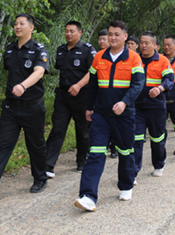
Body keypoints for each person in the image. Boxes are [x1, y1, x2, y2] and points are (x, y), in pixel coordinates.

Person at [0, 13, 50, 202]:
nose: (17, 27)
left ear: (31, 27)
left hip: (32, 107)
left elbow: (39, 72)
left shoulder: (38, 49)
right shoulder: (9, 49)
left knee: (36, 145)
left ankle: (40, 178)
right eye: (16, 24)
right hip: (11, 108)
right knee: (3, 145)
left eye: (21, 24)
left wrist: (23, 86)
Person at [75, 20, 144, 211]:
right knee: (95, 153)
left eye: (116, 34)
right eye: (110, 34)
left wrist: (124, 102)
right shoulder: (98, 57)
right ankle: (88, 196)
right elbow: (93, 85)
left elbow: (138, 84)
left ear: (125, 37)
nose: (112, 38)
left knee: (125, 151)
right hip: (101, 115)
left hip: (124, 115)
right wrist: (89, 108)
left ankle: (126, 185)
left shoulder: (134, 58)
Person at [45, 21, 97, 179]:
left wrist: (79, 85)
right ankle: (47, 165)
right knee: (57, 129)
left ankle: (82, 161)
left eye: (72, 31)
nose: (68, 34)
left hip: (82, 95)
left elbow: (93, 71)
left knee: (83, 131)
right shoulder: (61, 50)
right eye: (66, 31)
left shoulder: (88, 49)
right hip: (63, 96)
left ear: (80, 33)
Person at [134, 31, 174, 178]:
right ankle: (133, 171)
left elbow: (170, 79)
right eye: (142, 43)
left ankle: (158, 164)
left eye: (147, 43)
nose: (143, 46)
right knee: (136, 139)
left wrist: (160, 88)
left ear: (155, 45)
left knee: (157, 138)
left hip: (156, 106)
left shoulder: (163, 61)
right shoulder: (134, 59)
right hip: (137, 106)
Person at [98, 29, 118, 158]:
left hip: (116, 96)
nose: (101, 42)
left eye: (104, 39)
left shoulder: (118, 56)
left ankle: (114, 147)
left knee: (114, 124)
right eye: (99, 39)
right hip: (101, 98)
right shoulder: (98, 55)